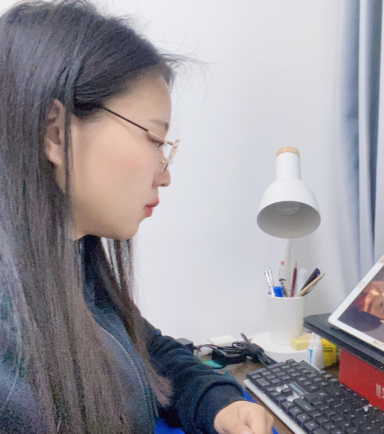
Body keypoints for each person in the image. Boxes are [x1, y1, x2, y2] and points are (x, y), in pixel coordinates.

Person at [0, 1, 274, 433]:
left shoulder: (71, 260)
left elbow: (150, 349)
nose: (165, 175)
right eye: (155, 139)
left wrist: (218, 404)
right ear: (55, 133)